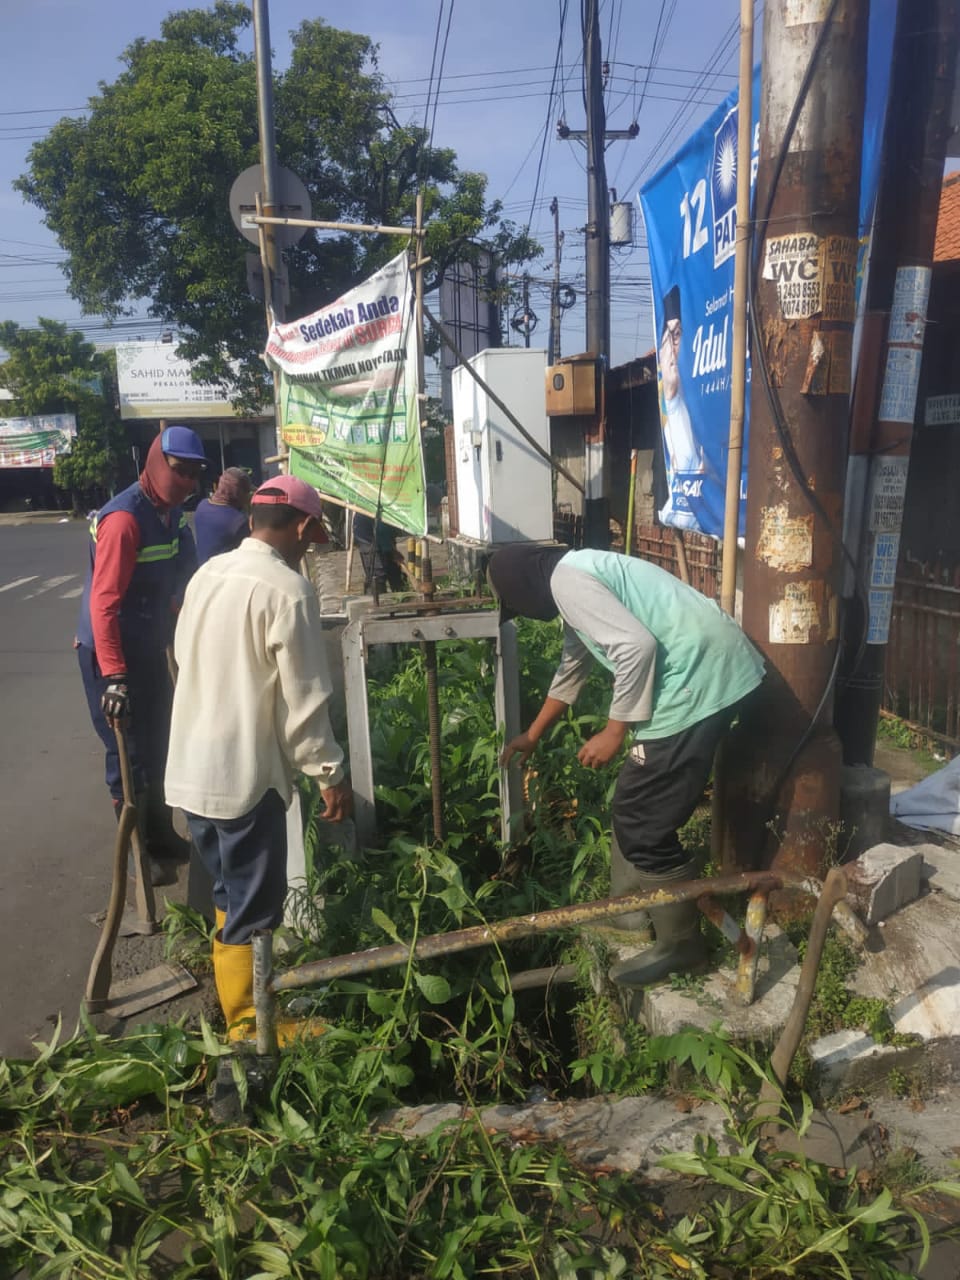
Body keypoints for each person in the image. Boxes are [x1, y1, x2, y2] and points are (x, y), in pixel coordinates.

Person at [488, 543, 764, 989]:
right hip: (703, 667)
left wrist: (614, 731)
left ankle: (682, 946)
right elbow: (573, 666)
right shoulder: (572, 578)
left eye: (516, 605)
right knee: (635, 802)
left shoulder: (567, 581)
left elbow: (636, 646)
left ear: (522, 587)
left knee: (644, 818)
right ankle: (631, 915)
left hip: (696, 678)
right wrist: (534, 734)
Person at [165, 475, 352, 1043]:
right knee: (254, 907)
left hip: (192, 770)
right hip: (243, 778)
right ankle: (249, 1027)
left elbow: (182, 654)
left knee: (229, 895)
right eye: (312, 539)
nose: (309, 550)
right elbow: (305, 700)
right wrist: (328, 773)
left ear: (252, 520)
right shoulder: (288, 590)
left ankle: (244, 1007)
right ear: (303, 526)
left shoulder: (207, 575)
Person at [76, 425, 206, 886]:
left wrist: (180, 607)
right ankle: (136, 851)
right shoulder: (123, 520)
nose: (186, 481)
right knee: (128, 755)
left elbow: (187, 570)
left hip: (149, 644)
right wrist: (115, 678)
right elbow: (103, 605)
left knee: (159, 743)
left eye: (194, 473)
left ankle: (161, 834)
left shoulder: (172, 515)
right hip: (109, 653)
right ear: (154, 463)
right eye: (179, 470)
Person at [657, 285, 703, 531]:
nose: (673, 350)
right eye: (669, 337)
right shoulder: (669, 424)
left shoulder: (700, 411)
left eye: (678, 335)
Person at [193, 467, 253, 563]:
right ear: (238, 493)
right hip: (227, 570)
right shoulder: (238, 521)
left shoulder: (201, 506)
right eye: (246, 493)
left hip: (203, 568)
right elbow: (250, 553)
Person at [352, 510, 408, 594]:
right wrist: (393, 551)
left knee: (394, 569)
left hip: (380, 532)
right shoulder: (384, 514)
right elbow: (381, 532)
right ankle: (376, 598)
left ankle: (402, 594)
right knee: (377, 574)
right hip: (368, 537)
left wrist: (392, 550)